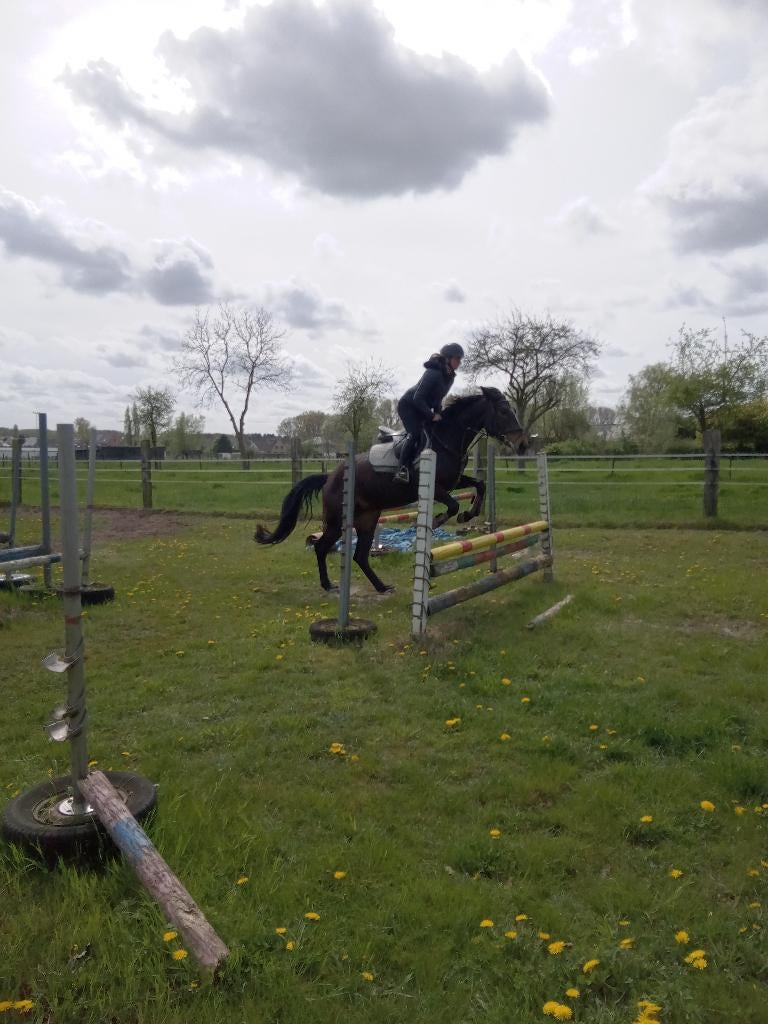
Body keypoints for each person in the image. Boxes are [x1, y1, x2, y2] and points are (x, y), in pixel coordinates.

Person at [394, 342, 464, 482]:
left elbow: (438, 399)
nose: (459, 362)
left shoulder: (449, 377)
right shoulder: (434, 373)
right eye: (457, 359)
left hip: (421, 407)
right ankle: (402, 470)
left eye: (460, 359)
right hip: (408, 406)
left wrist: (440, 413)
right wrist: (432, 415)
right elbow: (418, 398)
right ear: (448, 359)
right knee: (415, 433)